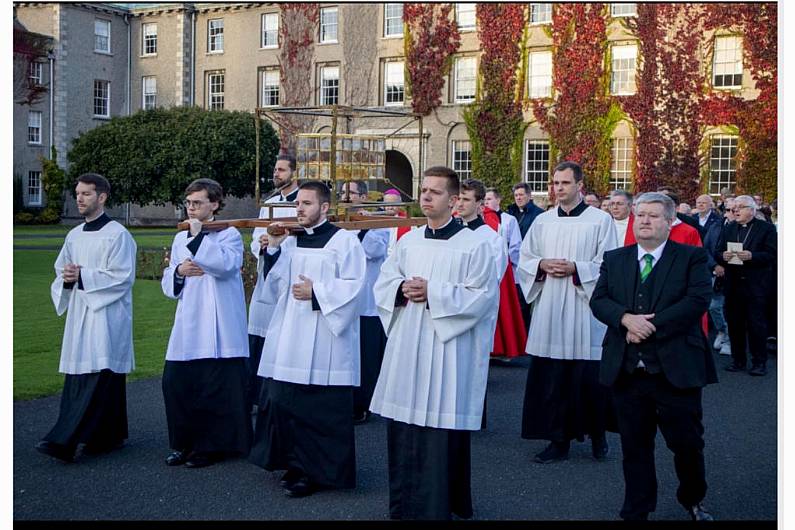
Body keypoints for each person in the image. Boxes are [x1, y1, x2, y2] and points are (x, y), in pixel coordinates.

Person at [369, 166, 499, 520]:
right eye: (423, 190)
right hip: (409, 342)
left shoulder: (478, 243)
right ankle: (404, 504)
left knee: (439, 430)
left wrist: (434, 293)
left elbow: (483, 297)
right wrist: (400, 290)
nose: (426, 197)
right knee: (405, 427)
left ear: (455, 201)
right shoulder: (408, 239)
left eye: (435, 192)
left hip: (447, 349)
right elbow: (385, 280)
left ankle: (439, 505)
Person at [590, 192, 716, 522]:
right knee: (634, 446)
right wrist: (624, 319)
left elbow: (697, 301)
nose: (644, 221)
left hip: (676, 370)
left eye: (653, 216)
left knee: (687, 444)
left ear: (670, 222)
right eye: (640, 215)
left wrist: (648, 327)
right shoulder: (616, 258)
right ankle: (637, 508)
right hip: (629, 371)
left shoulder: (691, 258)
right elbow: (599, 300)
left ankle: (693, 498)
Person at [250, 181, 366, 497]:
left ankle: (317, 471)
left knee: (319, 409)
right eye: (297, 204)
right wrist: (272, 250)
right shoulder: (291, 242)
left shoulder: (345, 242)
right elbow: (274, 288)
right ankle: (294, 464)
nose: (298, 209)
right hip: (290, 334)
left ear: (324, 207)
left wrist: (317, 292)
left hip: (327, 338)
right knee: (286, 403)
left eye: (306, 204)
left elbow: (355, 287)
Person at [517, 161, 617, 464]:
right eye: (555, 183)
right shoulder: (544, 221)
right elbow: (525, 257)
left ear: (579, 185)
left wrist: (577, 268)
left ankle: (598, 435)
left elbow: (609, 264)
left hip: (584, 307)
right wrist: (541, 265)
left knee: (589, 379)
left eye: (565, 183)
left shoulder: (601, 220)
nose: (559, 188)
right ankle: (557, 440)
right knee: (553, 379)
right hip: (549, 305)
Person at [38, 173, 137, 463]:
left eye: (87, 194)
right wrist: (68, 279)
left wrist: (83, 276)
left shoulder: (118, 234)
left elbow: (122, 277)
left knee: (98, 375)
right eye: (78, 193)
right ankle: (107, 435)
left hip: (107, 314)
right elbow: (62, 270)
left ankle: (63, 440)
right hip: (81, 311)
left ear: (102, 197)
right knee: (86, 374)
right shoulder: (74, 235)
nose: (79, 199)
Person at [161, 178, 252, 468]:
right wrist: (178, 270)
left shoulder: (229, 234)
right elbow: (169, 281)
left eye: (197, 202)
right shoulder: (180, 238)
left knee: (214, 388)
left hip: (219, 323)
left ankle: (211, 446)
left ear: (214, 203)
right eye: (188, 203)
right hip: (189, 320)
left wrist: (199, 241)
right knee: (176, 384)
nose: (190, 208)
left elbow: (225, 267)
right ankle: (183, 443)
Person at [247, 153, 299, 413]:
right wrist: (262, 244)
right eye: (275, 169)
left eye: (281, 170)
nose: (276, 174)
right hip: (266, 272)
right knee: (259, 334)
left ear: (294, 173)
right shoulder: (268, 203)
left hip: (291, 274)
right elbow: (256, 236)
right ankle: (257, 396)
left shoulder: (303, 202)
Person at [342, 180, 391, 424]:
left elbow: (374, 251)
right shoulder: (340, 223)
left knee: (366, 358)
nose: (346, 197)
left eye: (351, 193)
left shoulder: (377, 223)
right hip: (344, 302)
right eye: (343, 193)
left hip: (368, 302)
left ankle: (364, 404)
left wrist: (363, 226)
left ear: (362, 196)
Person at [714, 195, 777, 376]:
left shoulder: (766, 228)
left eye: (740, 207)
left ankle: (759, 362)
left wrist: (752, 256)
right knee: (734, 324)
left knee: (756, 325)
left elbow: (772, 254)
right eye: (734, 208)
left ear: (752, 209)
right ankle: (738, 360)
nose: (735, 211)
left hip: (756, 285)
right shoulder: (730, 228)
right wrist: (722, 256)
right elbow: (718, 251)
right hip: (733, 284)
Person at [483, 187, 527, 361]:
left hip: (505, 267)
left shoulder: (508, 220)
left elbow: (516, 245)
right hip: (489, 266)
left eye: (489, 199)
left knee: (505, 309)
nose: (486, 203)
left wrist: (513, 267)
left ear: (498, 200)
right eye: (484, 200)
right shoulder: (481, 219)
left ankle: (505, 348)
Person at [693, 195, 730, 354]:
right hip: (710, 268)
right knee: (713, 306)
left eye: (733, 210)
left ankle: (728, 338)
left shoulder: (717, 221)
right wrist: (714, 265)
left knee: (725, 307)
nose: (731, 212)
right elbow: (705, 247)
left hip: (733, 273)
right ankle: (723, 331)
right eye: (698, 202)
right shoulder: (714, 225)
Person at [507, 182, 544, 333]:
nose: (518, 198)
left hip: (530, 261)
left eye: (521, 195)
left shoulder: (539, 214)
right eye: (516, 195)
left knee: (527, 301)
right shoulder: (510, 213)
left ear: (529, 196)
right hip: (514, 263)